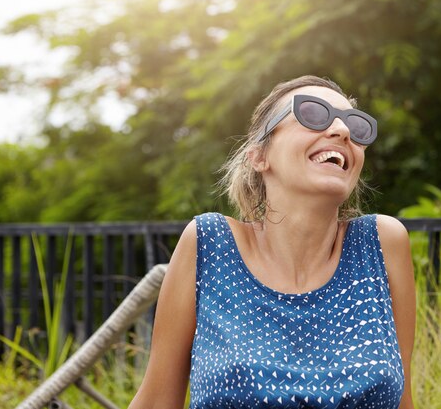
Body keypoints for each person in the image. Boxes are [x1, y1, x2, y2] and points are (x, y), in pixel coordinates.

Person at [128, 75, 415, 409]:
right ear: (259, 156)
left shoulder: (381, 243)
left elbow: (402, 402)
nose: (342, 130)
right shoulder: (209, 244)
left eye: (355, 124)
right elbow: (155, 402)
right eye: (314, 114)